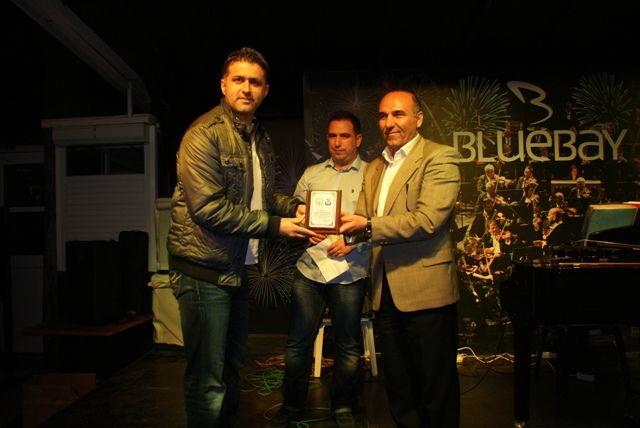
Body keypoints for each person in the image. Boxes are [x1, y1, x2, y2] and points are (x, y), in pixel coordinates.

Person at [167, 47, 315, 427]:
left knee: (231, 368)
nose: (246, 88)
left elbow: (262, 196)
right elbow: (208, 209)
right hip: (203, 272)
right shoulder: (203, 135)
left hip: (235, 270)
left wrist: (296, 208)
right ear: (223, 85)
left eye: (255, 82)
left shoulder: (258, 138)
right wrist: (276, 225)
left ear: (265, 91)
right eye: (238, 80)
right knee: (208, 381)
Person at [341, 88, 461, 427]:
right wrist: (330, 225)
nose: (389, 122)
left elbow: (428, 220)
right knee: (399, 389)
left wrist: (366, 226)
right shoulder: (375, 167)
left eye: (398, 114)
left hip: (427, 292)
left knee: (435, 389)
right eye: (383, 116)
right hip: (384, 294)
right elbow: (363, 218)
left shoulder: (440, 157)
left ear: (418, 119)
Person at [268, 111, 370, 427]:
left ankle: (343, 406)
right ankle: (292, 406)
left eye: (344, 136)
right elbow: (297, 212)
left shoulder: (371, 175)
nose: (337, 142)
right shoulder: (312, 174)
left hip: (350, 271)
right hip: (311, 268)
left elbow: (378, 222)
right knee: (297, 343)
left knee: (347, 346)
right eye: (332, 136)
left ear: (358, 139)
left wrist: (352, 242)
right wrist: (304, 227)